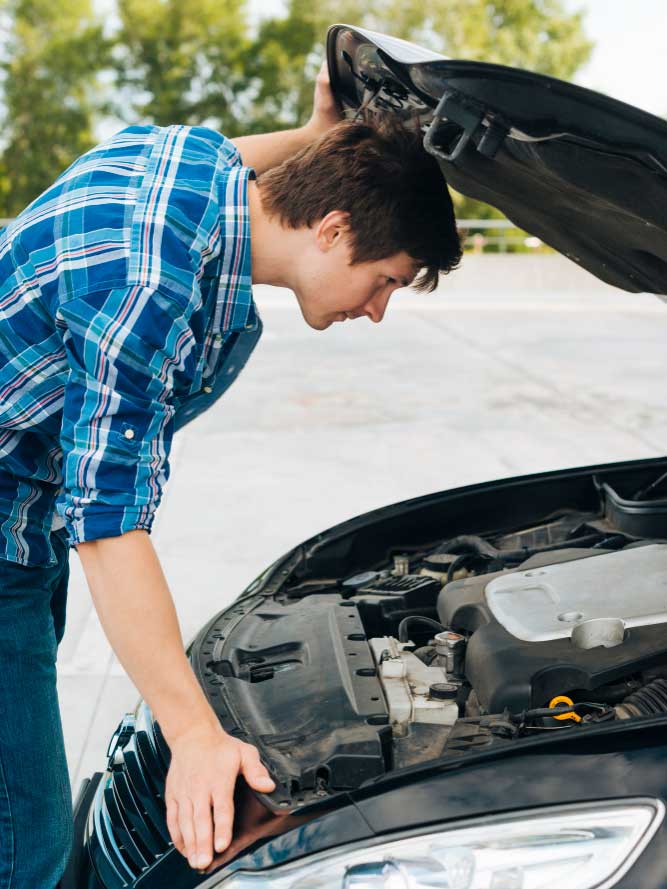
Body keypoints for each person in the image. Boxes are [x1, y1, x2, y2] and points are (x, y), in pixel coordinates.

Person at [0, 62, 461, 888]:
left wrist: (324, 138)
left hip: (20, 513)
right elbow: (107, 524)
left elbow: (240, 153)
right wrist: (195, 735)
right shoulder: (147, 284)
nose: (377, 308)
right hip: (6, 529)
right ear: (328, 229)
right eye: (385, 279)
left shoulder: (189, 172)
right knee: (23, 847)